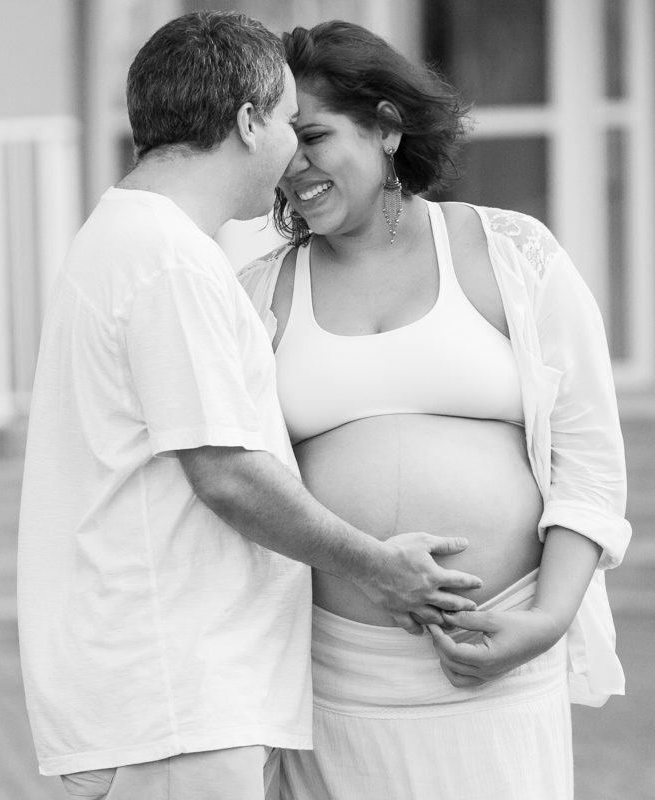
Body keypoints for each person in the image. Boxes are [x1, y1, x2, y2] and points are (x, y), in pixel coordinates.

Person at [17, 12, 484, 800]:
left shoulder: (127, 240)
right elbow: (227, 475)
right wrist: (379, 568)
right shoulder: (170, 263)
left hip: (170, 699)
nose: (294, 154)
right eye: (286, 121)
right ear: (247, 121)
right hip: (181, 701)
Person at [237, 21, 629, 800]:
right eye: (281, 145)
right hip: (336, 676)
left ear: (386, 126)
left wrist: (547, 620)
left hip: (498, 658)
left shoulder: (511, 253)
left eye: (313, 135)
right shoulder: (257, 292)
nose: (295, 166)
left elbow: (591, 460)